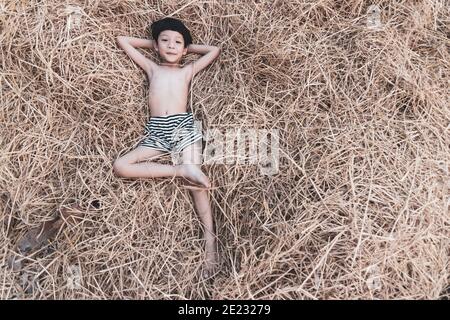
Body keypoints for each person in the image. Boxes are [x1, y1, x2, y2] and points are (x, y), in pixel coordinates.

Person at [113, 17, 220, 278]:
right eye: (165, 41)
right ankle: (180, 170)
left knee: (198, 188)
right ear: (156, 46)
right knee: (120, 166)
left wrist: (187, 48)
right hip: (157, 133)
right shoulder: (152, 68)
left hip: (183, 128)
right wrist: (153, 44)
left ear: (184, 49)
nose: (171, 45)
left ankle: (210, 250)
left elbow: (213, 51)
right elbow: (123, 41)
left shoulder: (186, 71)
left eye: (177, 42)